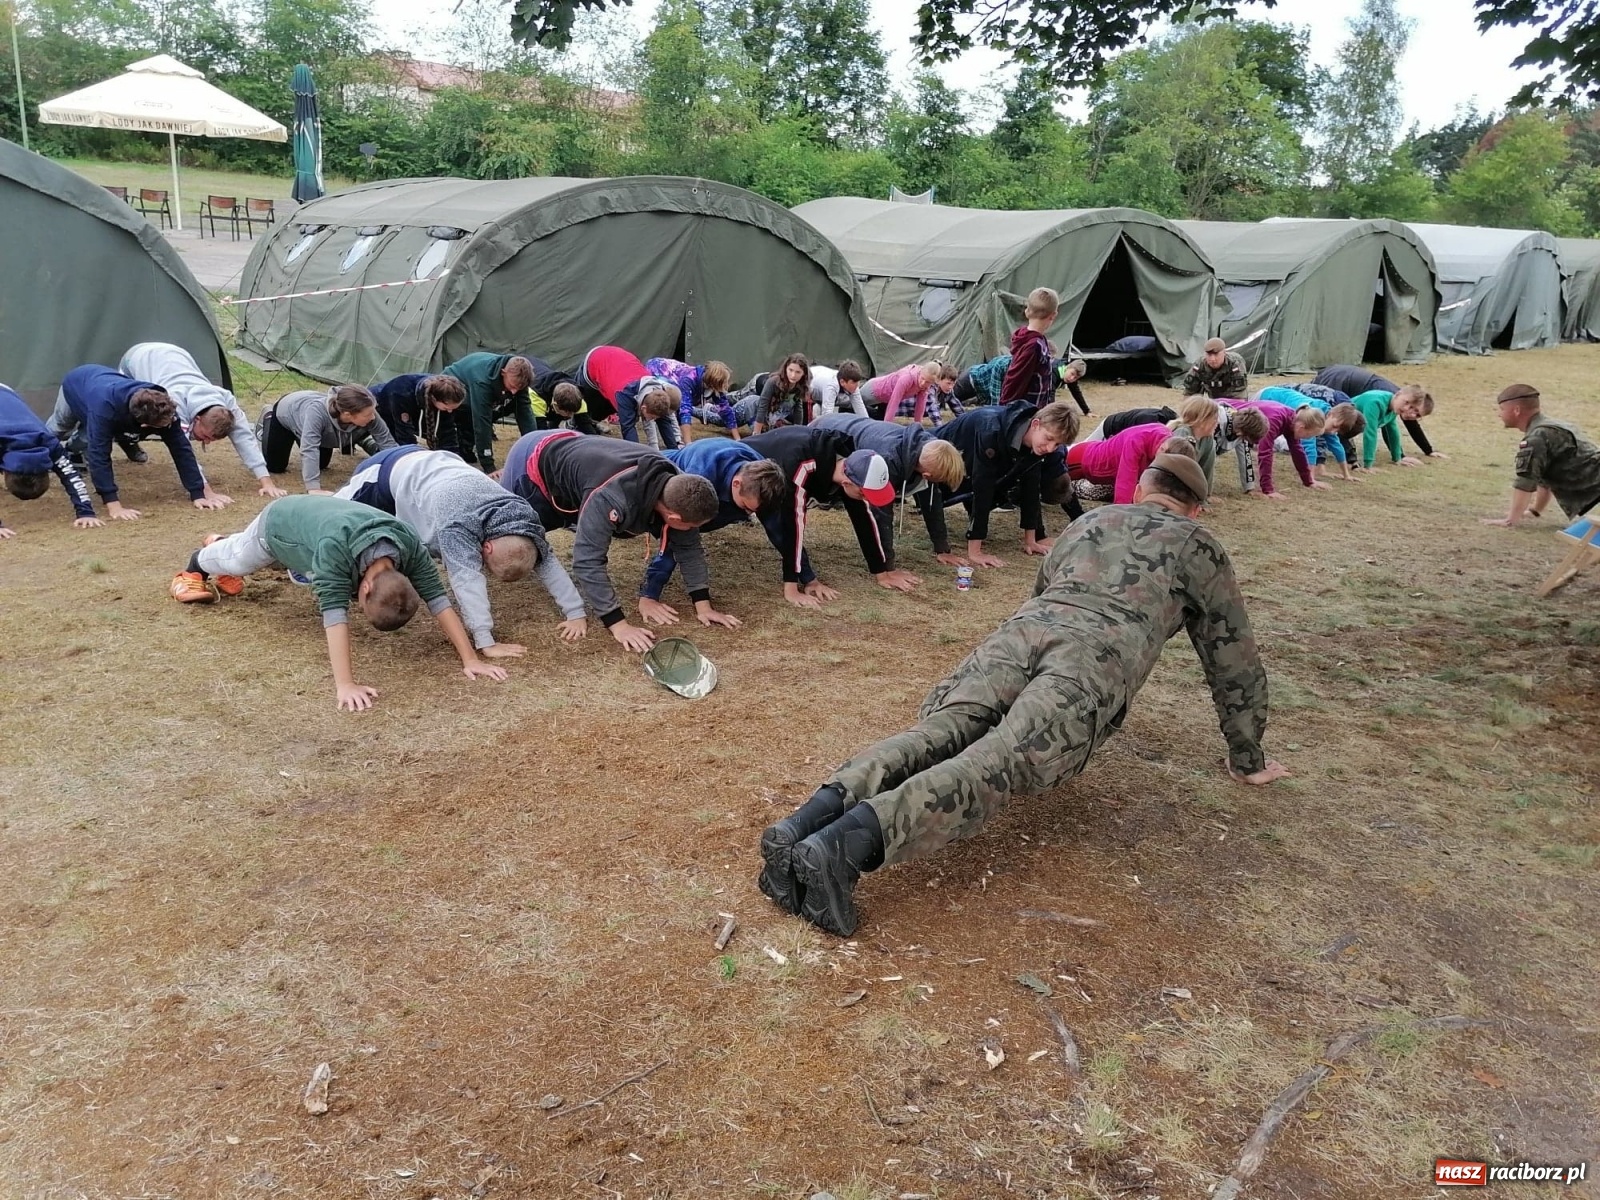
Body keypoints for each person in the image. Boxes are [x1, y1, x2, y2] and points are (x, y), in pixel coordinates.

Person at [756, 452, 1287, 936]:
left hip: (1020, 635)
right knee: (998, 761)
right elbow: (1234, 662)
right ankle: (840, 849)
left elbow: (1042, 591)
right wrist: (1247, 757)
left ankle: (801, 825)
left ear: (1141, 489)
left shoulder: (1090, 521)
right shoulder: (1198, 546)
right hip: (1090, 662)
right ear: (1195, 509)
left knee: (939, 730)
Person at [169, 495, 509, 711]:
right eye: (361, 604)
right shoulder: (335, 551)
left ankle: (224, 543)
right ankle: (197, 563)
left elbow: (438, 600)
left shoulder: (407, 544)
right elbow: (334, 618)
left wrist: (470, 659)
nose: (355, 605)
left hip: (317, 524)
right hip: (280, 523)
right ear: (366, 587)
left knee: (261, 561)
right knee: (240, 561)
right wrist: (345, 685)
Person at [335, 445, 589, 654]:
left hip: (442, 463)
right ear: (486, 547)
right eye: (485, 563)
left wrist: (575, 612)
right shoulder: (457, 526)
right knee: (334, 513)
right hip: (389, 469)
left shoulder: (524, 516)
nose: (482, 566)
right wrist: (485, 640)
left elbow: (547, 561)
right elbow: (467, 580)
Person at [499, 429, 735, 651]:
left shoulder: (680, 486)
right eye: (691, 526)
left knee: (583, 513)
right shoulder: (611, 497)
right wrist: (618, 625)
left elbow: (689, 547)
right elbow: (587, 561)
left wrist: (703, 606)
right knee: (513, 535)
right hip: (532, 457)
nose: (693, 531)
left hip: (581, 452)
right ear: (673, 517)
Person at [742, 425, 898, 607]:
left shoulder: (854, 465)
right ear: (846, 483)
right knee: (776, 520)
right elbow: (792, 524)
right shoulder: (800, 467)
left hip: (785, 460)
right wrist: (795, 586)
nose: (865, 498)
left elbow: (863, 517)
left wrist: (881, 572)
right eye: (863, 494)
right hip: (749, 462)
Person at [48, 365, 221, 521]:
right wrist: (114, 505)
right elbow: (99, 456)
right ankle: (38, 458)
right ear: (145, 426)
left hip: (105, 389)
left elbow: (181, 448)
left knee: (108, 432)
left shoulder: (162, 404)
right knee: (61, 428)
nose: (170, 425)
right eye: (163, 426)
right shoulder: (104, 410)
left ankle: (125, 442)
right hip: (76, 385)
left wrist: (198, 493)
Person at [815, 412, 968, 588]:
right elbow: (881, 516)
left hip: (847, 422)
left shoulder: (928, 448)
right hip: (826, 430)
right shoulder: (888, 460)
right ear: (926, 475)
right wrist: (887, 569)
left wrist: (942, 549)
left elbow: (932, 502)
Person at [119, 342, 287, 500]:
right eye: (206, 436)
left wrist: (266, 482)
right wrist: (204, 490)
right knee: (134, 414)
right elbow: (183, 452)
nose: (207, 442)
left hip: (177, 354)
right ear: (197, 419)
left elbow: (245, 438)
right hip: (136, 359)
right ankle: (127, 441)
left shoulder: (227, 401)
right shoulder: (174, 404)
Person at [928, 399, 1078, 569]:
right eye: (1049, 439)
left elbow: (1031, 486)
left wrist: (1032, 539)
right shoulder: (991, 431)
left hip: (971, 466)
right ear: (1036, 424)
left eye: (1057, 444)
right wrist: (975, 551)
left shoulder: (1037, 441)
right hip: (937, 451)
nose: (1050, 448)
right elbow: (982, 487)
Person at [642, 439, 788, 601]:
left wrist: (803, 576)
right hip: (654, 481)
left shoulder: (763, 474)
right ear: (737, 483)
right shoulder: (699, 476)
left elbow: (780, 528)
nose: (749, 514)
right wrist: (650, 593)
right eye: (746, 507)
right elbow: (679, 538)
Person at [1483, 384, 1600, 526]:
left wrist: (1510, 520)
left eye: (1502, 409)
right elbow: (1543, 474)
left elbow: (1525, 481)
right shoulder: (1553, 425)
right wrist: (1535, 511)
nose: (1499, 414)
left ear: (1516, 410)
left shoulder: (1537, 438)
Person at [1067, 399, 1218, 505]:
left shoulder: (1169, 440)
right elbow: (1126, 479)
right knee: (1058, 483)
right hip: (1084, 461)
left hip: (1106, 474)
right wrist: (1123, 514)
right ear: (1162, 449)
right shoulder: (1138, 441)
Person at [0, 381, 101, 536]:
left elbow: (71, 475)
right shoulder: (48, 444)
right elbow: (70, 475)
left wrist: (86, 512)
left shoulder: (47, 443)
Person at [256, 386, 398, 493]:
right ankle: (268, 415)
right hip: (286, 412)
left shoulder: (368, 412)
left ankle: (303, 433)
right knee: (275, 467)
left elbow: (388, 444)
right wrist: (313, 488)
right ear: (347, 414)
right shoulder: (316, 413)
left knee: (321, 465)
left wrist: (400, 468)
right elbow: (309, 449)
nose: (373, 417)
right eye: (368, 415)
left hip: (312, 425)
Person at [1311, 365, 1444, 460]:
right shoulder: (1387, 399)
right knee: (1328, 419)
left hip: (1346, 379)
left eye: (1418, 414)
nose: (1412, 414)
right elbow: (1373, 431)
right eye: (1413, 409)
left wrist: (1427, 450)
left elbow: (1395, 427)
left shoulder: (1401, 401)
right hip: (1337, 377)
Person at [441, 352, 537, 472]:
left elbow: (525, 414)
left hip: (475, 389)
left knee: (505, 406)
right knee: (470, 413)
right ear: (503, 373)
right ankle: (458, 447)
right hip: (450, 387)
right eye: (512, 386)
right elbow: (481, 420)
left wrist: (535, 447)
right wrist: (488, 464)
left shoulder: (519, 380)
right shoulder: (483, 381)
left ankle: (466, 449)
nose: (514, 392)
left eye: (519, 388)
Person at [1219, 398, 1330, 498]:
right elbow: (1265, 452)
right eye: (1309, 435)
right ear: (1302, 427)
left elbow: (1297, 451)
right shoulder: (1275, 419)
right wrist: (1268, 490)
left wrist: (1309, 481)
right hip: (1219, 415)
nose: (1308, 438)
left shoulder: (1292, 419)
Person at [576, 345, 682, 448]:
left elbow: (664, 421)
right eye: (652, 417)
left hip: (618, 363)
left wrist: (674, 450)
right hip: (595, 361)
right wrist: (636, 456)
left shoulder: (658, 394)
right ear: (643, 408)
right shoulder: (624, 395)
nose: (653, 420)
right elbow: (628, 429)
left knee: (610, 407)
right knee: (584, 412)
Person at [1256, 386, 1364, 484]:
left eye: (1337, 431)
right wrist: (1311, 480)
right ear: (1330, 414)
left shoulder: (1329, 418)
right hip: (1267, 397)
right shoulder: (1314, 418)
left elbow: (1337, 446)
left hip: (1278, 400)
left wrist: (1346, 475)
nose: (1332, 432)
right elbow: (1309, 448)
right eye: (1334, 426)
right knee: (1270, 440)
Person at [370, 372, 469, 455]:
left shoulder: (444, 394)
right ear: (433, 399)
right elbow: (404, 433)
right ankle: (370, 446)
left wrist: (452, 456)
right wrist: (413, 456)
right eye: (446, 408)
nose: (450, 411)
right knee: (391, 448)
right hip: (380, 407)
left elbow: (447, 431)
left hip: (409, 408)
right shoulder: (402, 393)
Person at [646, 357, 738, 441]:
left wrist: (738, 439)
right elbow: (685, 411)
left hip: (677, 376)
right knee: (663, 408)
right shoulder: (689, 380)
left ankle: (676, 439)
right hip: (657, 370)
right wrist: (688, 444)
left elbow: (726, 410)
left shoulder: (714, 385)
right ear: (712, 382)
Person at [1345, 386, 1427, 472]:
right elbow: (1370, 432)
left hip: (1349, 430)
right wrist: (1368, 465)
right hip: (1340, 426)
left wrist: (1397, 458)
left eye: (1411, 407)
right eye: (1406, 402)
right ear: (1398, 394)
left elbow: (1393, 431)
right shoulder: (1375, 403)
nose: (1406, 408)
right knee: (1348, 454)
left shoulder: (1394, 407)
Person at [526, 356, 602, 435]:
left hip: (544, 370)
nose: (571, 416)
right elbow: (541, 431)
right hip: (527, 370)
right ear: (555, 404)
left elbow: (585, 424)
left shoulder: (577, 396)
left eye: (573, 412)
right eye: (568, 413)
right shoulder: (536, 398)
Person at [861, 362, 952, 426]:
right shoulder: (907, 378)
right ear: (921, 372)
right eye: (922, 378)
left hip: (885, 399)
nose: (923, 383)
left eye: (928, 382)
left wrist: (917, 427)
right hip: (874, 390)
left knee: (879, 419)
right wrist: (887, 427)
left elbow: (920, 406)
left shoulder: (925, 385)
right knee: (855, 408)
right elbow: (894, 402)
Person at [1181, 338, 1249, 399]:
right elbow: (1189, 394)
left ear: (1224, 353)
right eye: (1209, 355)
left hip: (1232, 398)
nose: (1212, 359)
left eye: (1216, 354)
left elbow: (1239, 396)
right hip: (1213, 398)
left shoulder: (1235, 363)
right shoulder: (1199, 365)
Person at [1081, 405, 1179, 442]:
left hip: (1119, 427)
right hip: (1110, 426)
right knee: (1086, 447)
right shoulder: (1149, 422)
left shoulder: (1161, 417)